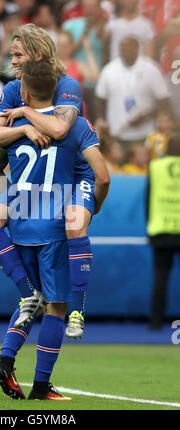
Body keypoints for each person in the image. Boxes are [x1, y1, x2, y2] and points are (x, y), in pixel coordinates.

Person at [0, 60, 109, 401]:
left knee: (31, 297)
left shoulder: (13, 121)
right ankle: (42, 386)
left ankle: (5, 359)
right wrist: (91, 209)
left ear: (24, 91)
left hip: (18, 226)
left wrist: (11, 198)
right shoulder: (76, 125)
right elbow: (102, 177)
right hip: (53, 226)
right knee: (55, 305)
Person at [95, 36, 171, 152]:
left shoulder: (151, 68)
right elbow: (100, 98)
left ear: (137, 48)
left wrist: (146, 116)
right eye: (122, 47)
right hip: (117, 134)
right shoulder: (109, 70)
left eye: (128, 47)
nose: (124, 50)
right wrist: (102, 119)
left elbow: (163, 99)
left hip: (145, 134)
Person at [146, 134, 180, 330]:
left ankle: (155, 322)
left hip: (161, 230)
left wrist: (150, 225)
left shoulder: (156, 167)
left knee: (160, 279)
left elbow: (148, 199)